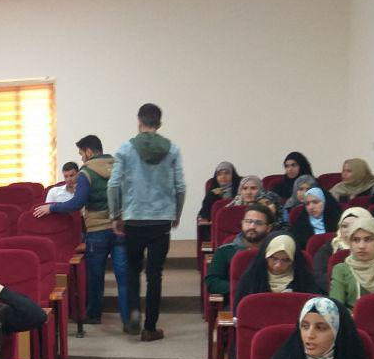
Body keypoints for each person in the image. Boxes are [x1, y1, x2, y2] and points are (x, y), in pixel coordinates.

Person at [108, 103, 186, 342]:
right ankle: (150, 327)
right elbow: (180, 186)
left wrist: (115, 214)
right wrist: (177, 213)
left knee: (133, 270)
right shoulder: (172, 149)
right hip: (161, 220)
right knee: (155, 274)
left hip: (134, 218)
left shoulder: (126, 148)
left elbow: (113, 184)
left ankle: (133, 311)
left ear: (139, 122)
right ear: (159, 123)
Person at [32, 135, 129, 327]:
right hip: (120, 228)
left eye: (82, 153)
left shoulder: (86, 172)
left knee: (96, 276)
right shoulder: (119, 166)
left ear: (89, 151)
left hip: (97, 231)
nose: (82, 158)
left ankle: (94, 315)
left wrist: (52, 207)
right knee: (124, 276)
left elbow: (78, 202)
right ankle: (128, 320)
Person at [232, 233, 322, 312]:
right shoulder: (251, 278)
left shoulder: (304, 280)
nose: (278, 265)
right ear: (265, 256)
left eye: (286, 260)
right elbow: (239, 312)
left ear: (293, 260)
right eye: (274, 258)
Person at [204, 204, 274, 304]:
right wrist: (241, 288)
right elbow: (212, 282)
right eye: (248, 221)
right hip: (235, 302)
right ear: (242, 223)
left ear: (268, 228)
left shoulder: (275, 252)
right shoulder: (225, 251)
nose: (252, 226)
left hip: (269, 301)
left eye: (258, 223)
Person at [313, 206, 372, 293]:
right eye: (344, 226)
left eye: (354, 225)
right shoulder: (330, 247)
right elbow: (320, 276)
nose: (348, 230)